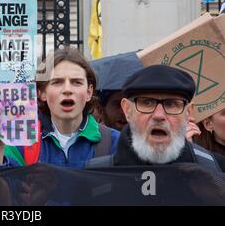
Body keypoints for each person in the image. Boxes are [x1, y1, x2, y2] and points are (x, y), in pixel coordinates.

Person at [0, 47, 120, 169]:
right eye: (57, 82)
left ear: (89, 92)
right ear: (42, 93)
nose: (67, 90)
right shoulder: (19, 143)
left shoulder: (114, 142)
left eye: (76, 82)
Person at [87, 65, 225, 172]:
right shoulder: (97, 173)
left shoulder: (216, 171)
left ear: (188, 112)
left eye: (171, 104)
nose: (159, 115)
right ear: (127, 110)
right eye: (147, 103)